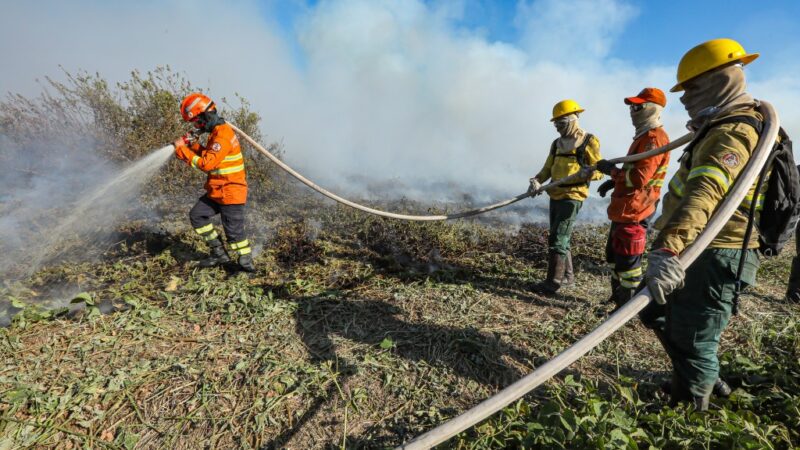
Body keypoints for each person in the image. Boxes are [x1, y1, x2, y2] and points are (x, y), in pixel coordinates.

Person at [643, 38, 768, 410]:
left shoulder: (731, 131)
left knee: (695, 337)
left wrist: (668, 248)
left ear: (719, 80)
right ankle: (702, 378)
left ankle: (691, 412)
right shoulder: (723, 123)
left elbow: (704, 193)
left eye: (692, 88)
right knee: (658, 314)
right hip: (702, 248)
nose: (684, 99)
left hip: (716, 252)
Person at [595, 88, 670, 308]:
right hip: (625, 208)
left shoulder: (653, 139)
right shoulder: (643, 137)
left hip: (636, 212)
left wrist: (612, 171)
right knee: (613, 256)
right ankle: (616, 298)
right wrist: (615, 181)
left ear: (650, 109)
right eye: (631, 107)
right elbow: (636, 173)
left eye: (637, 107)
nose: (632, 112)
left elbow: (639, 179)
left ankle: (623, 310)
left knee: (628, 264)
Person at [173, 93, 255, 272]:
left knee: (235, 235)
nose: (196, 126)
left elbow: (207, 164)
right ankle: (218, 254)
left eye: (197, 121)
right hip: (218, 191)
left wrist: (181, 151)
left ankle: (246, 267)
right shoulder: (217, 133)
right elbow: (210, 155)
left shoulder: (223, 136)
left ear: (205, 116)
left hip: (231, 193)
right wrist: (193, 146)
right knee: (197, 215)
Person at [529, 100, 603, 293]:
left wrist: (588, 173)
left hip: (573, 195)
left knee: (558, 239)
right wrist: (537, 180)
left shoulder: (588, 141)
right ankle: (568, 277)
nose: (557, 129)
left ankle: (553, 283)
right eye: (556, 125)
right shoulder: (557, 144)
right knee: (560, 235)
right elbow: (547, 169)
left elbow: (600, 170)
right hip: (555, 194)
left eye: (560, 124)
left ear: (572, 120)